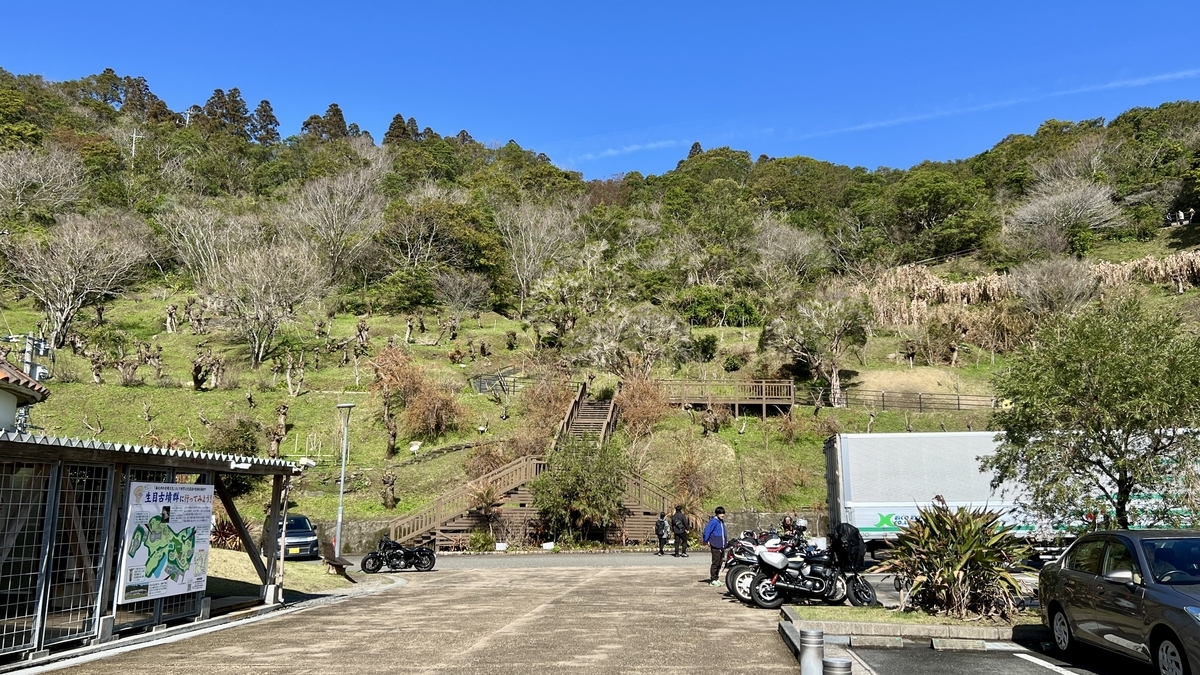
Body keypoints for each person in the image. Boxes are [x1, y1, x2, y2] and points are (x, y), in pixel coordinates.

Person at [702, 506, 728, 586]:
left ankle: (716, 578)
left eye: (723, 513)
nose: (722, 515)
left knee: (720, 563)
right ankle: (713, 579)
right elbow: (707, 531)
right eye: (720, 513)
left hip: (721, 545)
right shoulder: (713, 521)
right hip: (715, 545)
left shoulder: (721, 522)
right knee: (715, 563)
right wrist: (706, 540)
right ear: (717, 514)